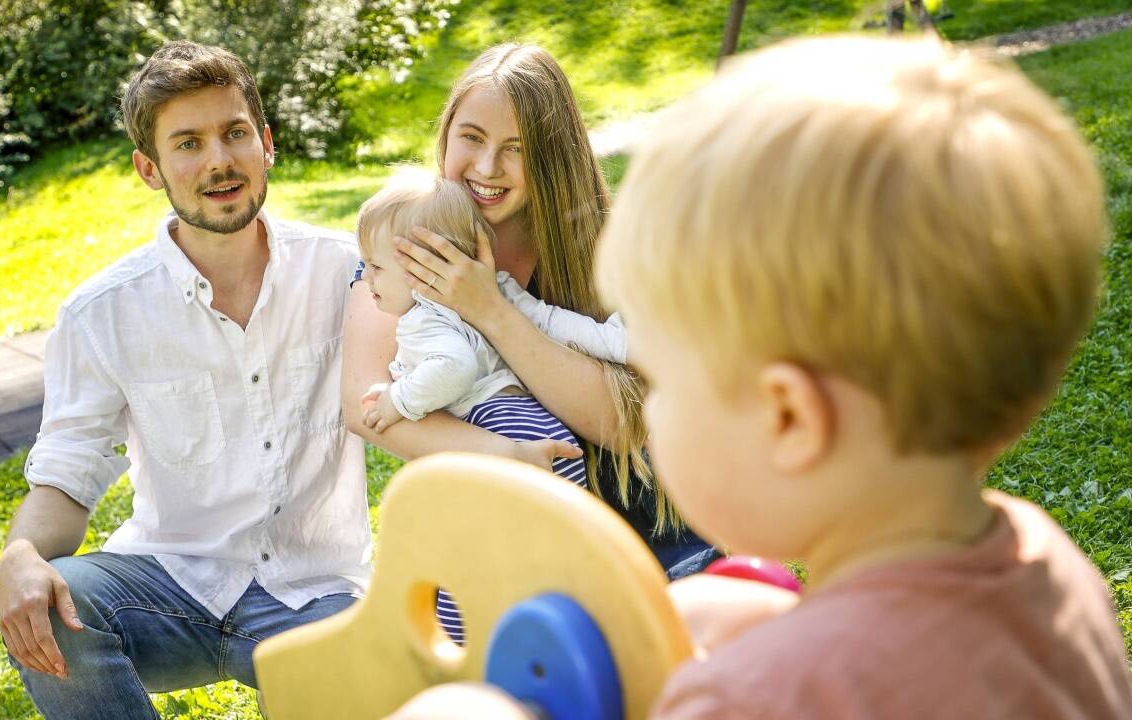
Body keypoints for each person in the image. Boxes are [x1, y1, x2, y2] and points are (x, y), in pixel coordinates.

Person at [392, 35, 1132, 719]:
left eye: (668, 383)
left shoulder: (753, 697)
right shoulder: (1052, 570)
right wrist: (782, 624)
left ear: (787, 420)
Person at [0, 41, 369, 719]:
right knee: (52, 604)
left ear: (267, 144)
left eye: (234, 133)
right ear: (150, 168)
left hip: (319, 592)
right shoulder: (100, 314)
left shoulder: (346, 273)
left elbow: (424, 386)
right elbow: (68, 474)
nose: (220, 161)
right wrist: (20, 554)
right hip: (169, 587)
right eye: (188, 143)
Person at [342, 43, 716, 579]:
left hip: (647, 533)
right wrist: (505, 455)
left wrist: (492, 311)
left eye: (515, 147)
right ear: (446, 133)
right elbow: (368, 408)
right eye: (471, 138)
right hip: (510, 537)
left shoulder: (605, 246)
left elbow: (622, 425)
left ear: (550, 153)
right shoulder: (406, 243)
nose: (487, 167)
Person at [356, 168, 628, 642]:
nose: (367, 278)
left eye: (375, 267)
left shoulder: (423, 319)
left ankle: (470, 647)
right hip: (541, 427)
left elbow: (454, 367)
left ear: (420, 268)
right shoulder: (493, 285)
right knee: (549, 566)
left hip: (501, 427)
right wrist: (615, 341)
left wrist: (399, 398)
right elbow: (553, 322)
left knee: (467, 561)